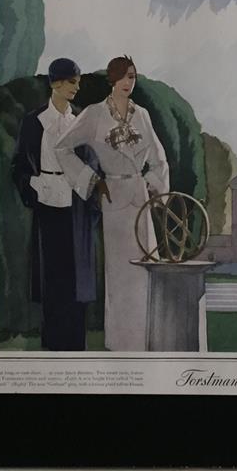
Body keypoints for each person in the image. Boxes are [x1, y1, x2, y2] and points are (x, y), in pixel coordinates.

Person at [55, 56, 169, 351]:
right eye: (122, 76)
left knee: (147, 267)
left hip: (141, 201)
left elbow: (159, 159)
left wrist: (153, 185)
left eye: (132, 76)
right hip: (114, 200)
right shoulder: (94, 114)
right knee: (119, 274)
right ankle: (120, 342)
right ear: (112, 79)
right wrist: (92, 180)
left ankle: (149, 339)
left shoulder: (142, 114)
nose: (128, 82)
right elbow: (62, 147)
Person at [11, 58, 99, 351]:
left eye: (78, 82)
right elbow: (20, 166)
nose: (76, 88)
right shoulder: (34, 121)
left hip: (77, 206)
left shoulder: (81, 121)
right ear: (55, 83)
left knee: (77, 281)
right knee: (52, 279)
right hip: (47, 203)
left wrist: (90, 193)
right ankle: (52, 348)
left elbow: (93, 162)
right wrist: (35, 187)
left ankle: (77, 347)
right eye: (72, 82)